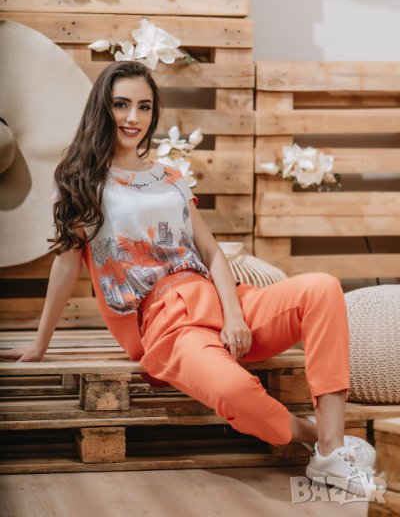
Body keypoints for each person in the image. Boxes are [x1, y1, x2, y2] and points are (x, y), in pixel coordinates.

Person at [0, 60, 378, 497]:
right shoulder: (82, 182)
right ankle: (320, 439)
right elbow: (66, 264)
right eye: (121, 104)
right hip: (167, 325)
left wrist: (234, 315)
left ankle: (331, 451)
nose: (133, 117)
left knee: (322, 287)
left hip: (219, 299)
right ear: (102, 108)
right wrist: (40, 343)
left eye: (144, 106)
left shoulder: (169, 177)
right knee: (233, 390)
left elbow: (211, 251)